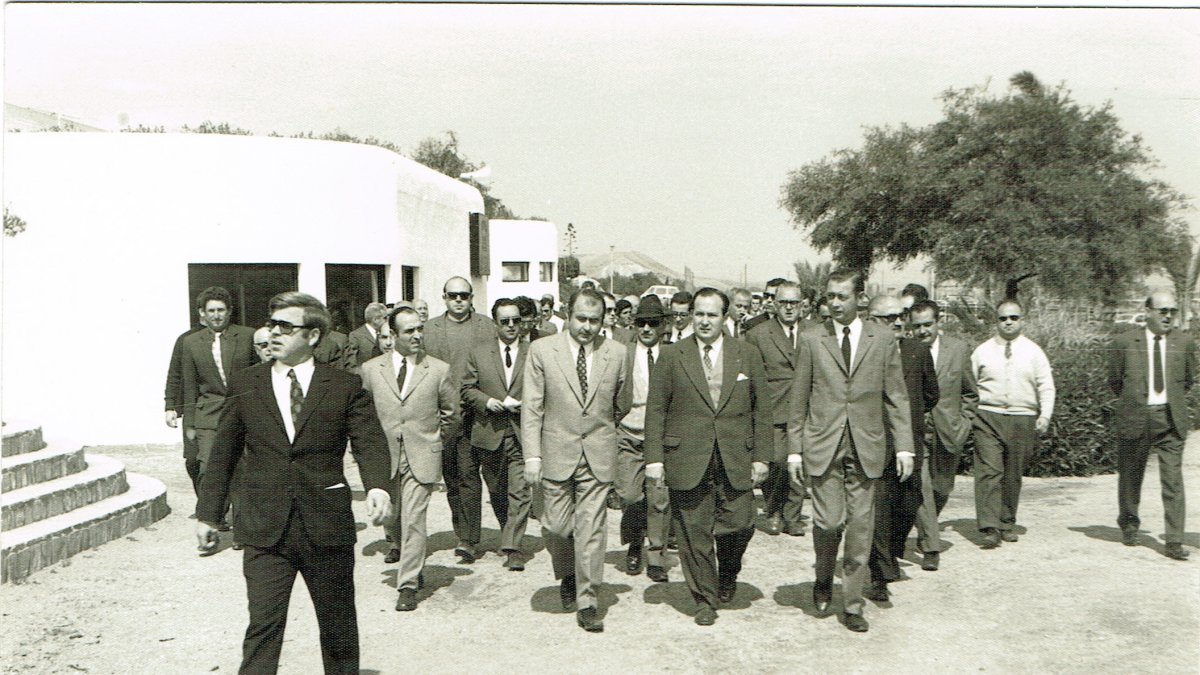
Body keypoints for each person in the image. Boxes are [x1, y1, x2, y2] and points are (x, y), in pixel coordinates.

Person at [194, 292, 392, 674]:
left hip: (326, 524)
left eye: (285, 327)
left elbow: (369, 441)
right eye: (271, 326)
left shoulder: (343, 386)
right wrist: (207, 515)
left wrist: (378, 486)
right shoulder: (246, 383)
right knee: (263, 627)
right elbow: (223, 453)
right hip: (264, 527)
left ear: (313, 336)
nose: (273, 334)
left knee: (337, 627)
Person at [787, 268, 913, 633]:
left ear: (859, 298)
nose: (835, 303)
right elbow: (798, 401)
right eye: (830, 296)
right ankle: (824, 576)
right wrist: (795, 451)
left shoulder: (883, 338)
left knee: (860, 528)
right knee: (828, 522)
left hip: (867, 445)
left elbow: (896, 397)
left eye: (842, 296)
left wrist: (904, 446)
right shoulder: (812, 339)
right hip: (823, 444)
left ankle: (853, 603)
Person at [645, 288, 772, 626]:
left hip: (735, 455)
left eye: (711, 315)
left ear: (724, 317)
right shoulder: (673, 355)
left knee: (741, 522)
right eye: (698, 314)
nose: (703, 321)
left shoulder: (746, 353)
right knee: (692, 529)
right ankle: (704, 597)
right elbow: (656, 410)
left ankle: (728, 571)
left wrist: (762, 456)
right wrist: (654, 458)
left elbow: (763, 409)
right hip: (686, 455)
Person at [521, 288, 627, 633]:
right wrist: (532, 455)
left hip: (597, 453)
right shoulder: (541, 350)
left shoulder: (617, 353)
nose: (587, 327)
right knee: (555, 527)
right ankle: (567, 571)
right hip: (554, 452)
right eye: (581, 319)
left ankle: (588, 599)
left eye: (594, 321)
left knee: (592, 530)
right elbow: (532, 407)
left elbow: (620, 403)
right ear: (568, 315)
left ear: (603, 321)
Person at [360, 305, 459, 610]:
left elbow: (451, 415)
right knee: (393, 517)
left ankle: (408, 584)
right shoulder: (372, 369)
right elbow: (362, 415)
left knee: (415, 519)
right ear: (392, 334)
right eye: (409, 331)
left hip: (422, 455)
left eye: (420, 329)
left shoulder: (438, 369)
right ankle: (408, 562)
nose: (417, 335)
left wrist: (433, 440)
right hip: (384, 456)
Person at [1108, 291, 1196, 561]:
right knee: (1131, 476)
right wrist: (1136, 400)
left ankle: (1174, 540)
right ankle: (1130, 523)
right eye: (1162, 311)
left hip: (1170, 418)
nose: (1168, 316)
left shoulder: (1185, 342)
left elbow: (1189, 379)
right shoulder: (1124, 342)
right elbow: (1114, 381)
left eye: (1172, 311)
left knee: (1173, 482)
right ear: (1147, 311)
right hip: (1136, 416)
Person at [864, 295, 938, 603]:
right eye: (887, 317)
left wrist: (910, 421)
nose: (897, 322)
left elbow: (931, 394)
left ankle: (892, 551)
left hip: (908, 442)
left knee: (909, 502)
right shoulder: (863, 354)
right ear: (871, 320)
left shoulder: (918, 351)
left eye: (900, 315)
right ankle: (880, 574)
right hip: (874, 443)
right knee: (879, 509)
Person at [422, 276, 498, 563]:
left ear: (471, 299)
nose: (458, 300)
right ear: (444, 297)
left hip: (476, 414)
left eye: (463, 296)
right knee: (452, 478)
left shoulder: (485, 327)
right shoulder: (430, 329)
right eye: (452, 295)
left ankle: (469, 539)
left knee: (472, 477)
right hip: (443, 416)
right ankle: (462, 531)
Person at [971, 299, 1055, 548]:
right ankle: (989, 527)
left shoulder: (1034, 352)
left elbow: (1046, 386)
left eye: (1013, 318)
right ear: (995, 321)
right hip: (988, 416)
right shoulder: (982, 351)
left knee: (1012, 473)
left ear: (1022, 320)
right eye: (1003, 318)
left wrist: (1045, 415)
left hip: (1022, 418)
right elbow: (969, 385)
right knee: (989, 471)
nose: (1008, 322)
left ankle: (1006, 521)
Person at [458, 299, 532, 571]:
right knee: (498, 490)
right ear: (495, 323)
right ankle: (508, 530)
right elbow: (466, 389)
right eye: (506, 321)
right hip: (490, 432)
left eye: (516, 320)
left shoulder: (532, 352)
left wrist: (527, 402)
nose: (512, 326)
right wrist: (488, 402)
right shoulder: (479, 353)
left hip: (523, 432)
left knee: (521, 492)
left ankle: (513, 547)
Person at [180, 286, 256, 528]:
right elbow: (189, 385)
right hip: (208, 415)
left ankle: (242, 527)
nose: (216, 315)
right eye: (211, 311)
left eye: (221, 310)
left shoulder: (246, 336)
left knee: (242, 470)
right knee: (206, 467)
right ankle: (213, 518)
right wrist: (190, 423)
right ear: (202, 313)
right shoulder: (190, 343)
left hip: (243, 411)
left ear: (230, 311)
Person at [910, 300, 976, 570]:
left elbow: (970, 393)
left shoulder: (958, 350)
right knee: (923, 488)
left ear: (938, 323)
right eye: (917, 326)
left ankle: (928, 527)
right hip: (918, 431)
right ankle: (931, 546)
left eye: (928, 324)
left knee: (941, 488)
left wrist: (965, 423)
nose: (923, 331)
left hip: (950, 431)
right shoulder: (907, 350)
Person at [745, 281, 815, 538]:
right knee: (775, 463)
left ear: (802, 306)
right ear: (774, 304)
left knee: (798, 464)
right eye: (783, 302)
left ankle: (792, 516)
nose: (788, 308)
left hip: (806, 410)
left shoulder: (815, 332)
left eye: (794, 303)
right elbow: (753, 379)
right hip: (773, 410)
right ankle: (773, 510)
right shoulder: (759, 334)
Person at [613, 295, 671, 583]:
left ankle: (656, 555)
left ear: (663, 326)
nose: (646, 328)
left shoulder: (673, 355)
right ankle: (634, 541)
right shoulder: (623, 354)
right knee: (630, 495)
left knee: (659, 498)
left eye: (653, 323)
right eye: (641, 323)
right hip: (628, 432)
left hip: (660, 436)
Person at [164, 318, 207, 498]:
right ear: (201, 312)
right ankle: (204, 500)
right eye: (208, 310)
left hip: (216, 405)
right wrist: (170, 405)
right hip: (192, 408)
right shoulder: (186, 340)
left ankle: (215, 508)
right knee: (192, 460)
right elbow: (175, 373)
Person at [347, 302, 388, 369]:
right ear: (375, 319)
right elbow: (351, 362)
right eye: (385, 318)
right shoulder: (356, 335)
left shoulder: (385, 334)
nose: (387, 320)